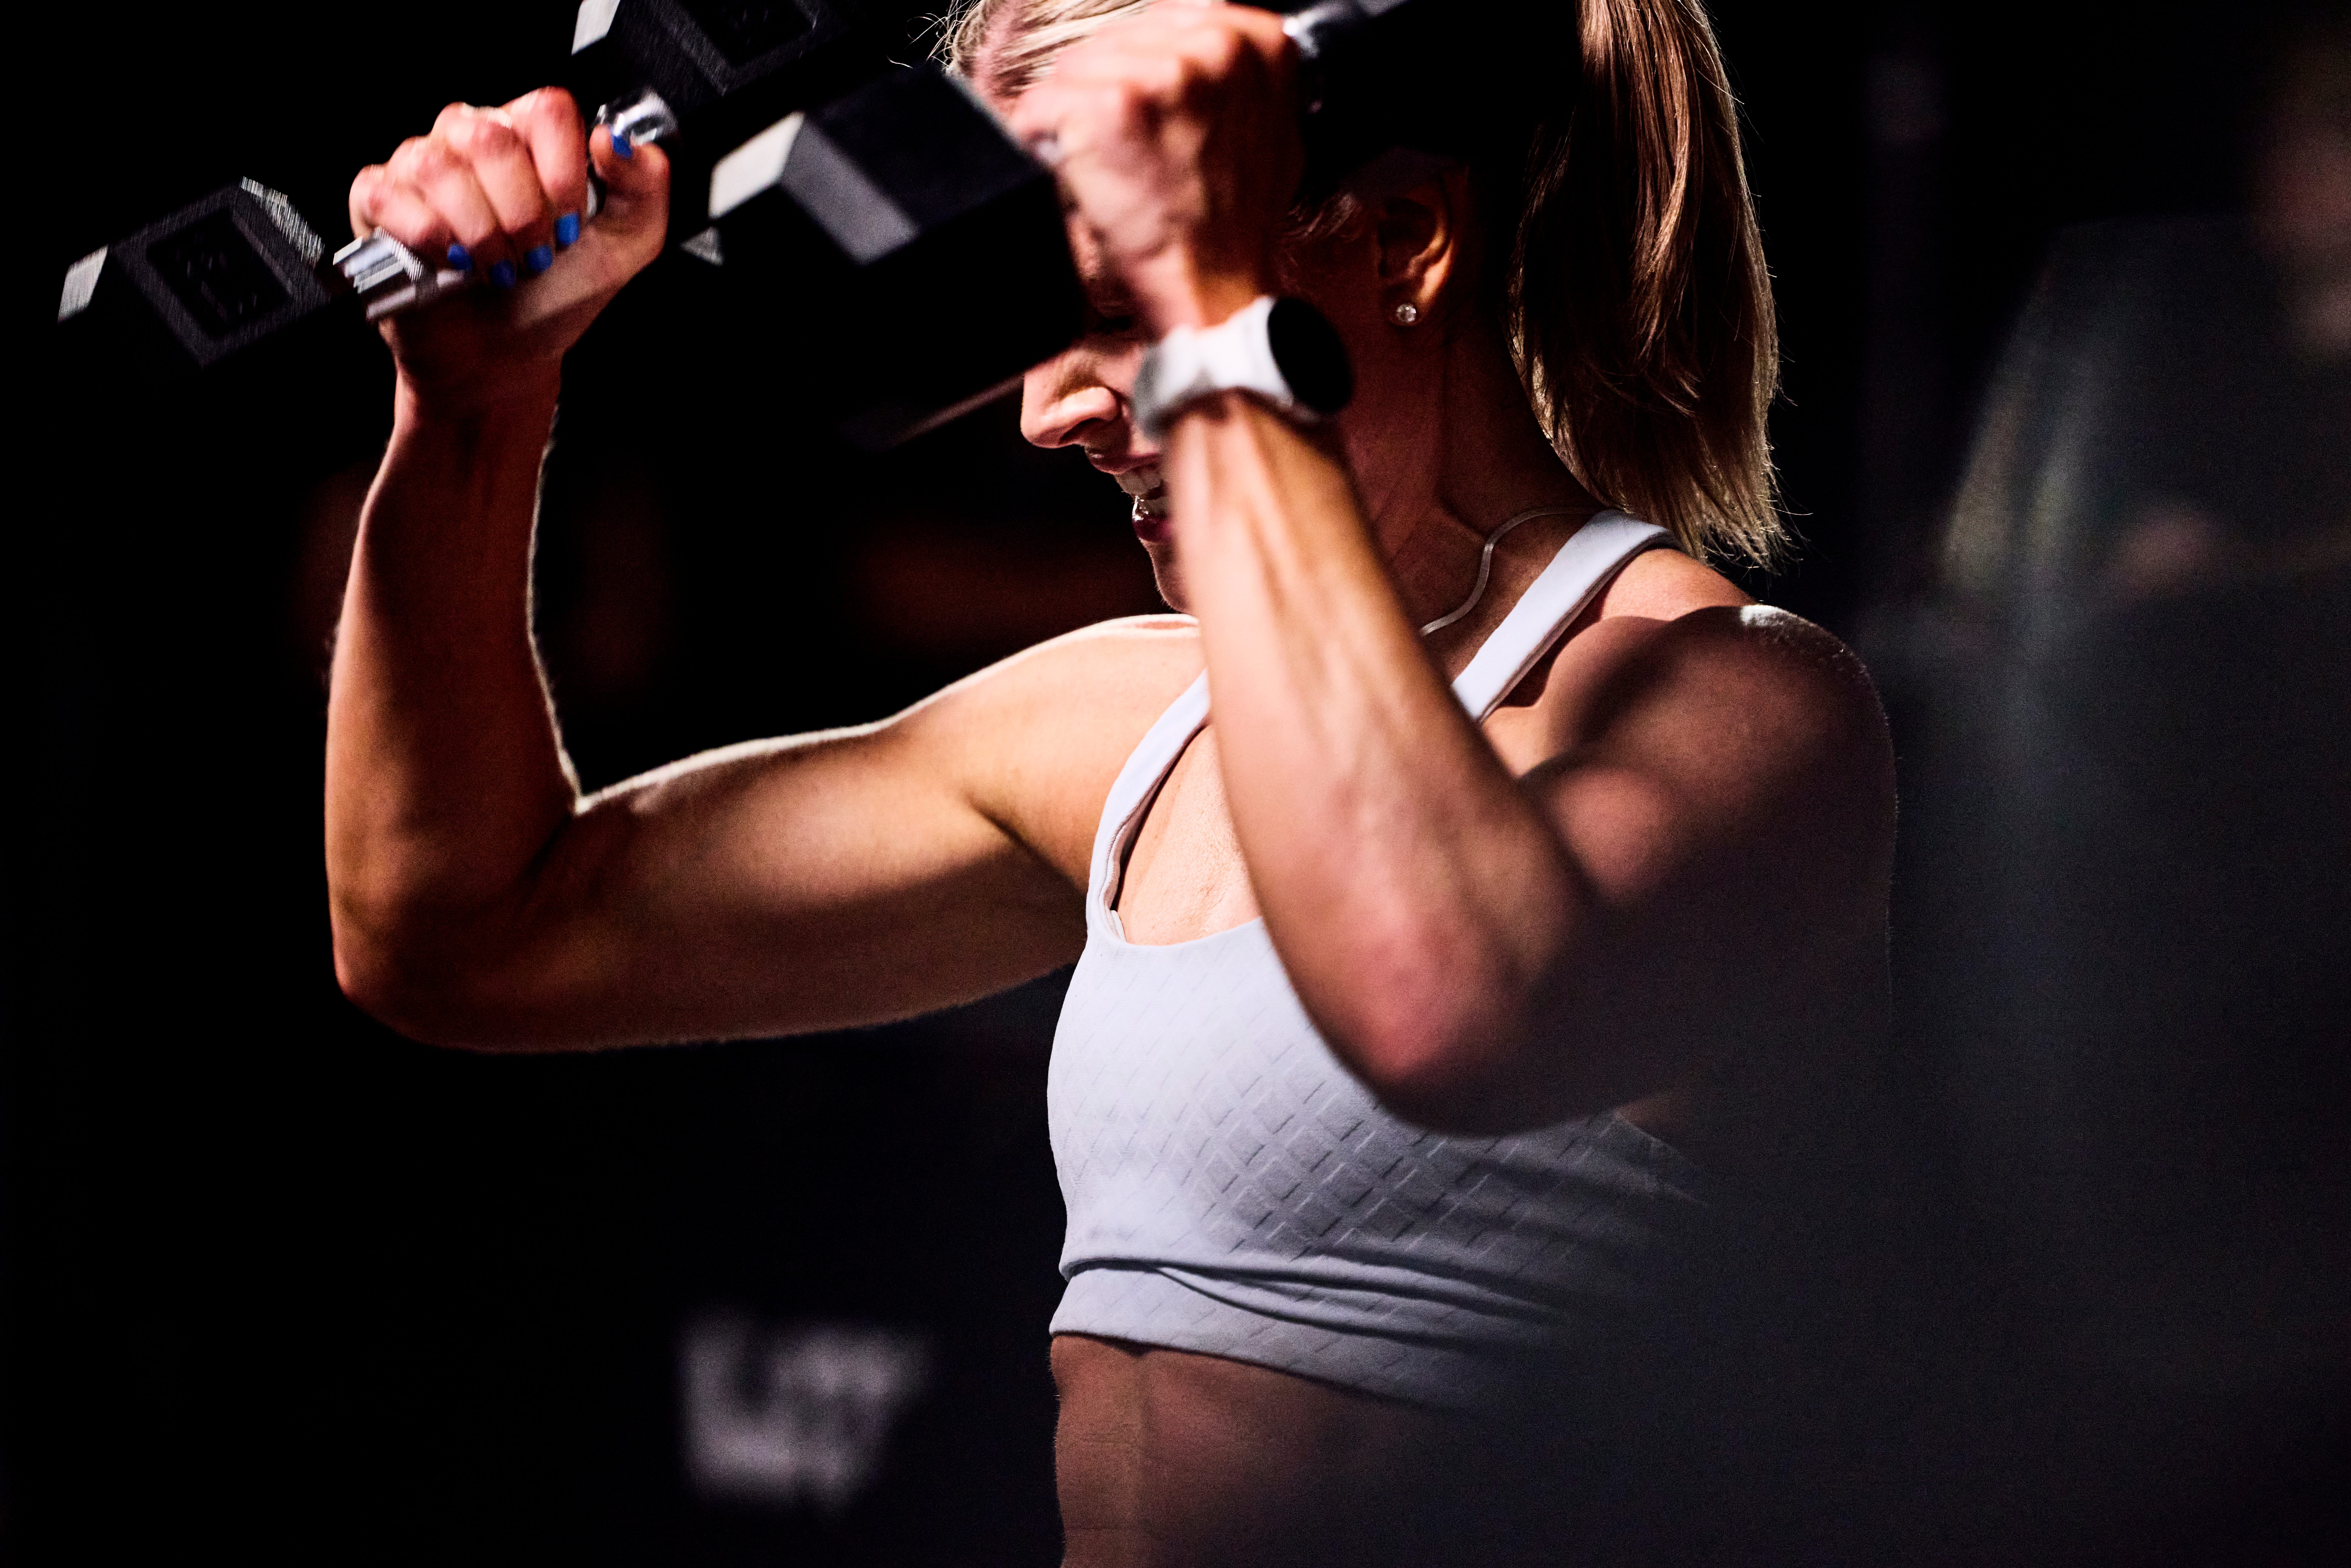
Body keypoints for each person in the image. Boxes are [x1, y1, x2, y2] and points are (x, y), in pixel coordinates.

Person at [326, 0, 1895, 1559]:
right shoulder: (1142, 738)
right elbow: (459, 927)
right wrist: (473, 416)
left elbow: (1433, 993)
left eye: (1107, 295)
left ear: (1408, 241)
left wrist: (1211, 319)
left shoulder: (1736, 703)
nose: (1047, 408)